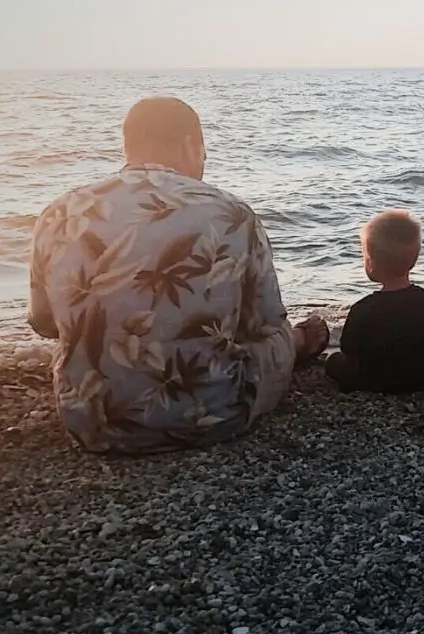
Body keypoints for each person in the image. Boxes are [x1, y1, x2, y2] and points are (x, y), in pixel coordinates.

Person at [27, 96, 328, 454]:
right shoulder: (231, 213)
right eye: (203, 152)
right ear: (191, 146)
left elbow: (46, 323)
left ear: (128, 145)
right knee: (278, 335)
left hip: (91, 421)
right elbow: (261, 323)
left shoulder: (59, 213)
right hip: (212, 415)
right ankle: (297, 344)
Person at [325, 209, 424, 393]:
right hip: (420, 373)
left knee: (333, 361)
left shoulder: (362, 308)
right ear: (414, 259)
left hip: (373, 377)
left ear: (371, 264)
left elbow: (349, 349)